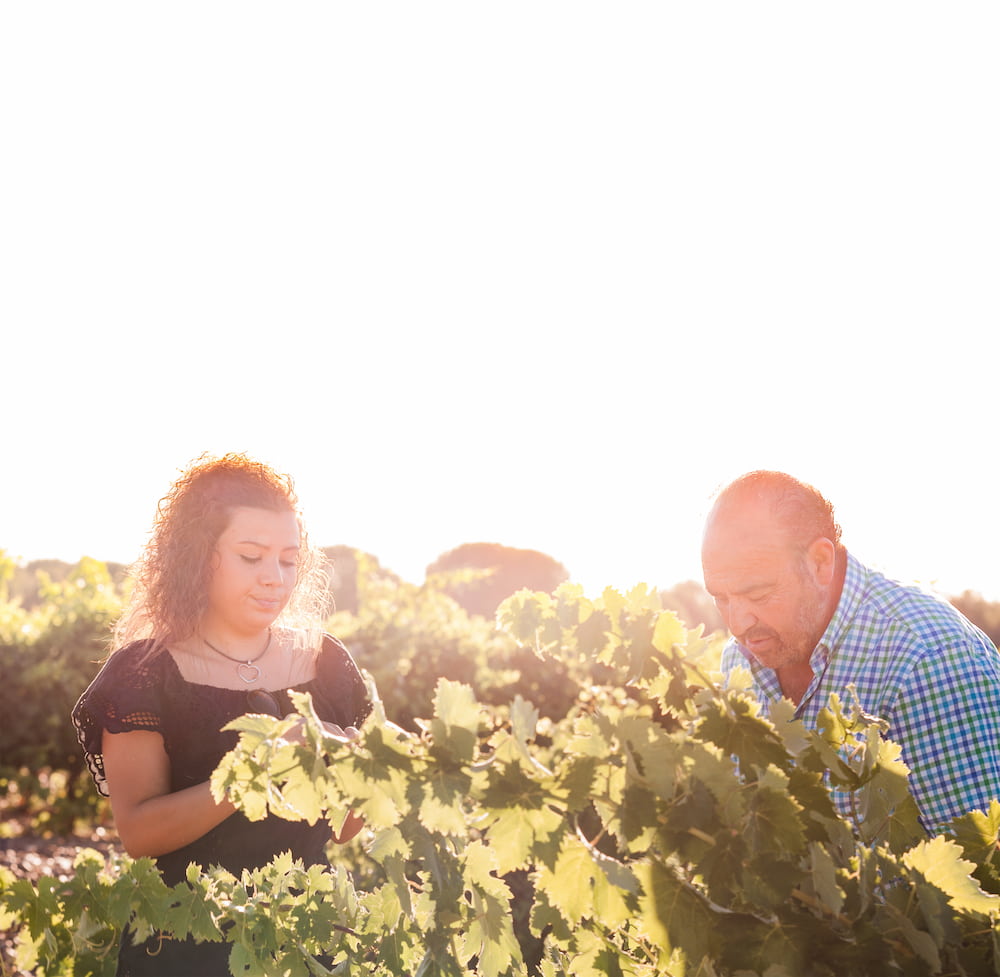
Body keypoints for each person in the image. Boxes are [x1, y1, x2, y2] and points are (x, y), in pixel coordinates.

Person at [72, 453, 372, 976]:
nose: (274, 578)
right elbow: (140, 832)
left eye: (287, 559)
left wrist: (362, 769)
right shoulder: (145, 675)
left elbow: (346, 829)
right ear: (197, 556)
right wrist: (256, 768)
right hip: (184, 946)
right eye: (251, 556)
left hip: (304, 943)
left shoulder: (326, 664)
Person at [701, 469, 1000, 835]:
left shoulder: (929, 657)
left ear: (820, 563)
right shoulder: (741, 660)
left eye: (758, 594)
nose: (737, 623)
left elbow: (983, 877)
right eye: (720, 598)